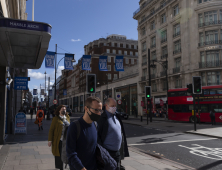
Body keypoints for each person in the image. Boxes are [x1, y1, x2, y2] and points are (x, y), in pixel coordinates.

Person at [66, 97, 102, 170]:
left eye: (100, 110)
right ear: (86, 109)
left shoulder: (95, 125)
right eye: (96, 110)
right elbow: (71, 153)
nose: (99, 113)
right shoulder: (74, 126)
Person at [97, 98, 129, 170]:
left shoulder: (117, 116)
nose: (114, 107)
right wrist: (102, 152)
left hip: (117, 152)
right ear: (106, 106)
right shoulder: (102, 118)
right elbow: (97, 136)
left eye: (115, 106)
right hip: (107, 152)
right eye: (112, 106)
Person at [48, 105, 70, 170]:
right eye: (62, 109)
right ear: (59, 110)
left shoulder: (67, 117)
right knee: (58, 155)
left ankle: (65, 165)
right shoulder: (55, 119)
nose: (64, 110)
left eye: (65, 109)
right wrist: (50, 140)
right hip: (59, 140)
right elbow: (51, 130)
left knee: (65, 155)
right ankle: (60, 168)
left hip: (66, 141)